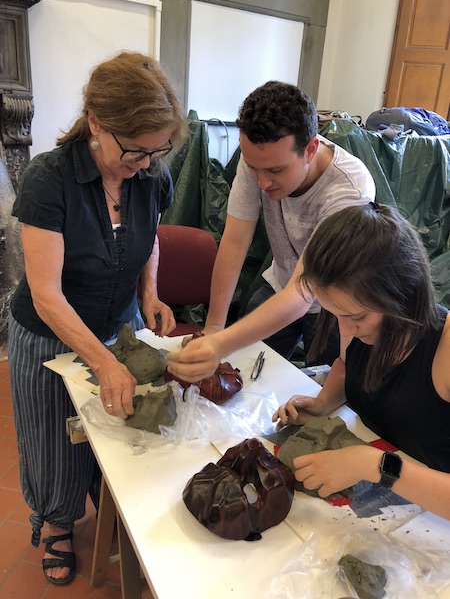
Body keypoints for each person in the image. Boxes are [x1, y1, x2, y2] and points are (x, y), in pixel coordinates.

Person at [8, 51, 187, 585]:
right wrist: (104, 362)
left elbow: (149, 235)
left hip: (120, 322)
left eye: (159, 150)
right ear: (95, 126)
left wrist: (150, 292)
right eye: (135, 150)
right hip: (50, 335)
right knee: (55, 442)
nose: (148, 162)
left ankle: (108, 506)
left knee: (117, 437)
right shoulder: (50, 179)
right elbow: (45, 295)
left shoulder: (150, 174)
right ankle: (59, 523)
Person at [271, 203, 450, 521]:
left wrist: (377, 465)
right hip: (379, 509)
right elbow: (345, 364)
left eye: (357, 317)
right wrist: (324, 401)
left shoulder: (444, 349)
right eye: (335, 314)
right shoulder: (353, 321)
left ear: (403, 294)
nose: (346, 329)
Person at [180, 81, 375, 367]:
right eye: (253, 167)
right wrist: (213, 328)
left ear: (310, 149)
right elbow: (234, 243)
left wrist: (221, 343)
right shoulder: (258, 162)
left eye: (275, 170)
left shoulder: (349, 190)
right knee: (243, 369)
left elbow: (303, 291)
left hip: (335, 304)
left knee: (325, 386)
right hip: (281, 282)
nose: (263, 182)